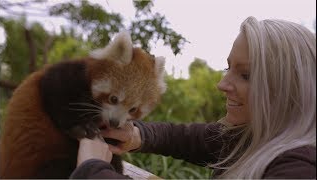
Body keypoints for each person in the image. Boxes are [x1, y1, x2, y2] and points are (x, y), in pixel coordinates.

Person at [69, 16, 316, 179]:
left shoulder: (299, 168)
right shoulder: (249, 136)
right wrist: (135, 135)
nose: (222, 84)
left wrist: (91, 170)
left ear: (289, 88)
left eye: (246, 75)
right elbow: (187, 138)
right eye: (227, 67)